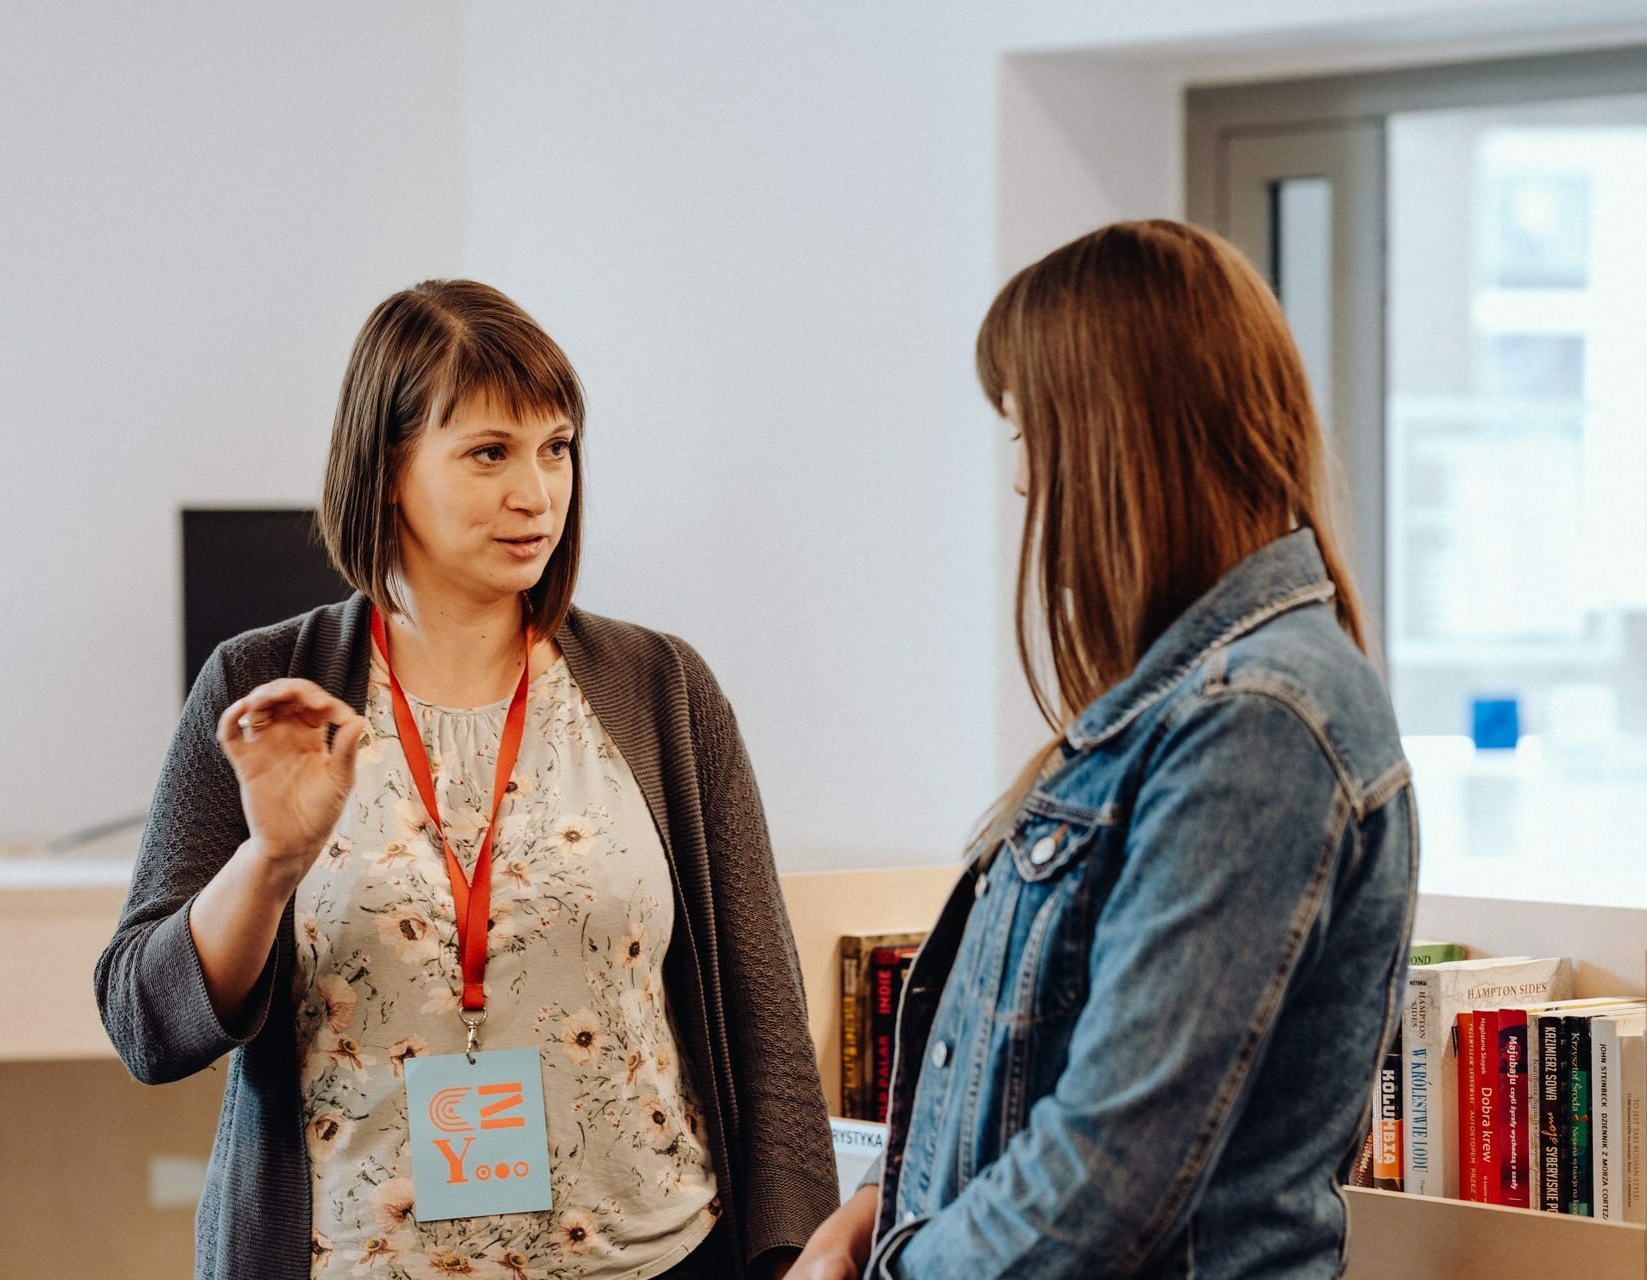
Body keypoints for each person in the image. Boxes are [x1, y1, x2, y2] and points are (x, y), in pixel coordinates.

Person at [96, 280, 837, 1280]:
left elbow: (766, 1017)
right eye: (490, 451)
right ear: (389, 468)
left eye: (557, 446)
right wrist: (270, 862)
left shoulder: (662, 688)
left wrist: (801, 1249)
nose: (536, 490)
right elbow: (146, 1023)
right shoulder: (264, 685)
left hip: (659, 1257)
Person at [790, 220, 1417, 1279]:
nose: (1026, 483)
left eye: (1031, 435)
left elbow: (1108, 1169)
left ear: (1118, 439)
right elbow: (1029, 1081)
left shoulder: (1257, 715)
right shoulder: (1178, 703)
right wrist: (873, 1209)